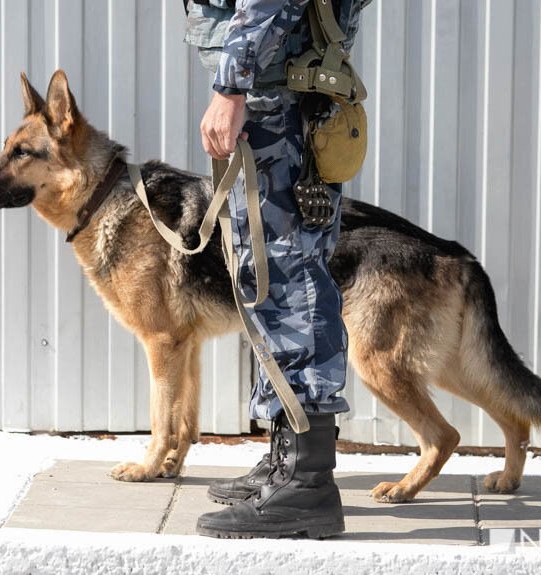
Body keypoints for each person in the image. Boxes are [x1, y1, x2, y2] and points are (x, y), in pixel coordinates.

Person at [184, 0, 370, 539]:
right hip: (280, 94)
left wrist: (231, 85)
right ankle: (285, 459)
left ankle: (307, 484)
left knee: (290, 281)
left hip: (278, 99)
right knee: (266, 275)